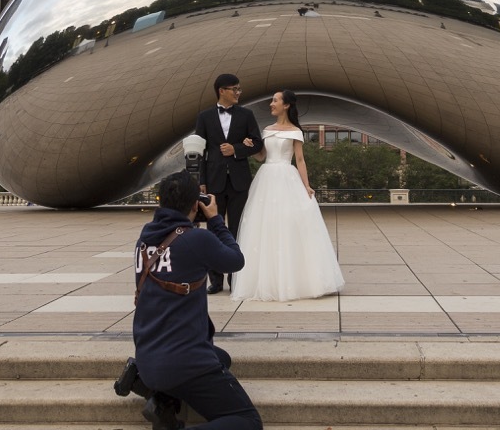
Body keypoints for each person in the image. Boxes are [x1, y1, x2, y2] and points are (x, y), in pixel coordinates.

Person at [129, 171, 262, 430]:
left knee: (221, 357)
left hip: (148, 356)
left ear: (161, 203)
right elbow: (236, 260)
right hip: (184, 362)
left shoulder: (145, 239)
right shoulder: (195, 239)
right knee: (248, 422)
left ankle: (161, 400)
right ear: (195, 204)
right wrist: (214, 220)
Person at [230, 90, 345, 302]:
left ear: (286, 105)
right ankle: (268, 281)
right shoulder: (266, 130)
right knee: (265, 226)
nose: (271, 104)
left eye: (275, 100)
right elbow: (261, 156)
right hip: (266, 178)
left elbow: (299, 160)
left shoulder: (295, 132)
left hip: (286, 177)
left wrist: (307, 185)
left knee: (288, 225)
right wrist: (250, 148)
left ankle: (296, 280)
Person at [194, 73, 263, 294]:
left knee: (237, 229)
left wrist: (237, 150)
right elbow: (199, 151)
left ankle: (236, 279)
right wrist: (201, 182)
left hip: (239, 181)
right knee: (214, 230)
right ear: (221, 90)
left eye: (239, 89)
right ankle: (215, 280)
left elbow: (258, 144)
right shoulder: (204, 117)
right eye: (234, 89)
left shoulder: (246, 115)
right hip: (213, 182)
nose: (238, 93)